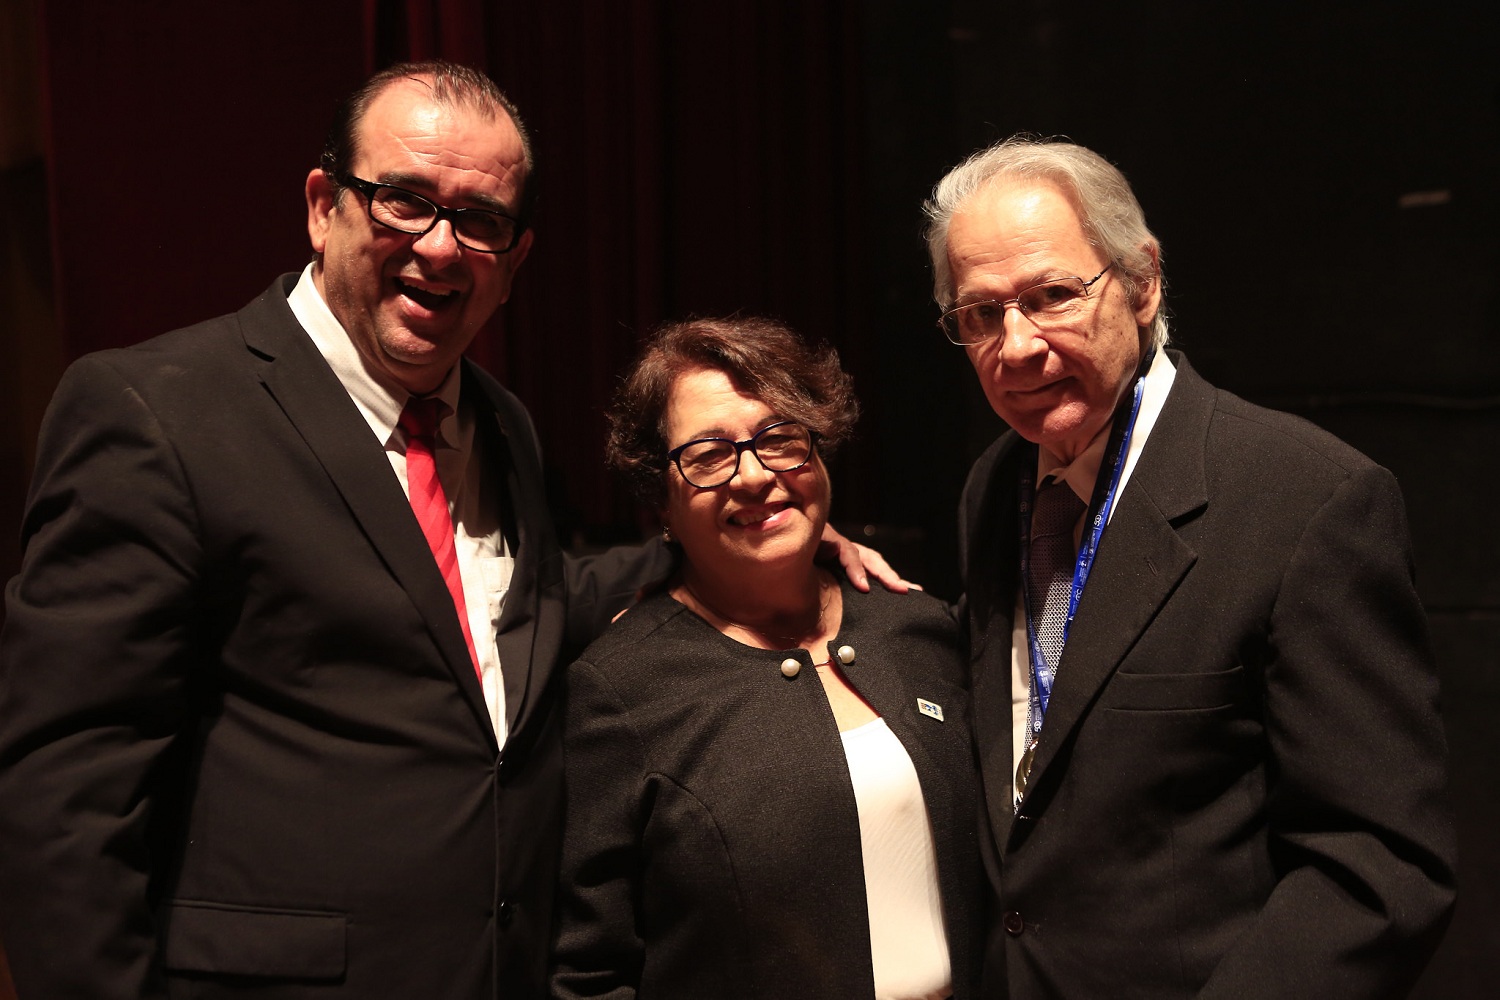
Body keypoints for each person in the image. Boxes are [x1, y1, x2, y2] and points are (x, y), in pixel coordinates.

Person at [0, 62, 893, 999]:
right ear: (322, 206)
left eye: (481, 221)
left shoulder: (499, 423)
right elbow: (65, 797)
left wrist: (748, 537)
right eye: (404, 201)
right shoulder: (155, 411)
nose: (439, 247)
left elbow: (512, 613)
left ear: (513, 261)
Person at [923, 136, 1456, 998]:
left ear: (1143, 282)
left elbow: (1379, 868)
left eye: (1052, 296)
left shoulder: (1307, 499)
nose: (1014, 347)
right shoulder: (996, 486)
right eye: (981, 314)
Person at [549, 317, 982, 1000]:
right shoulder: (620, 691)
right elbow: (592, 972)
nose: (754, 476)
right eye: (709, 455)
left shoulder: (920, 629)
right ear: (659, 497)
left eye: (780, 438)